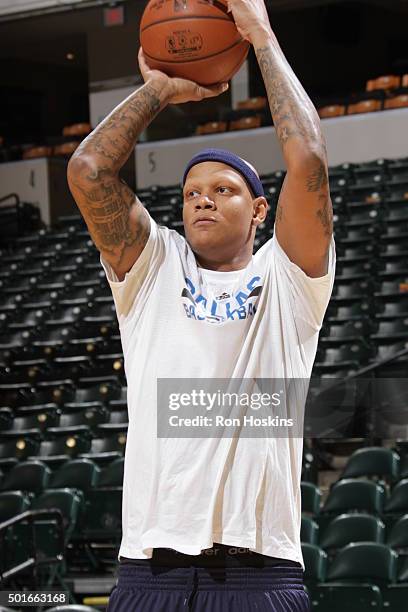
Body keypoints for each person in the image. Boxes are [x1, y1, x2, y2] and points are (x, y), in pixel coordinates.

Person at [67, 0, 335, 609]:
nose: (202, 201)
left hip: (258, 571)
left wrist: (260, 36)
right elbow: (87, 172)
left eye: (223, 190)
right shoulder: (154, 268)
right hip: (147, 572)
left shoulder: (287, 278)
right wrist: (157, 90)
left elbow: (310, 162)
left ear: (260, 210)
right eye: (191, 193)